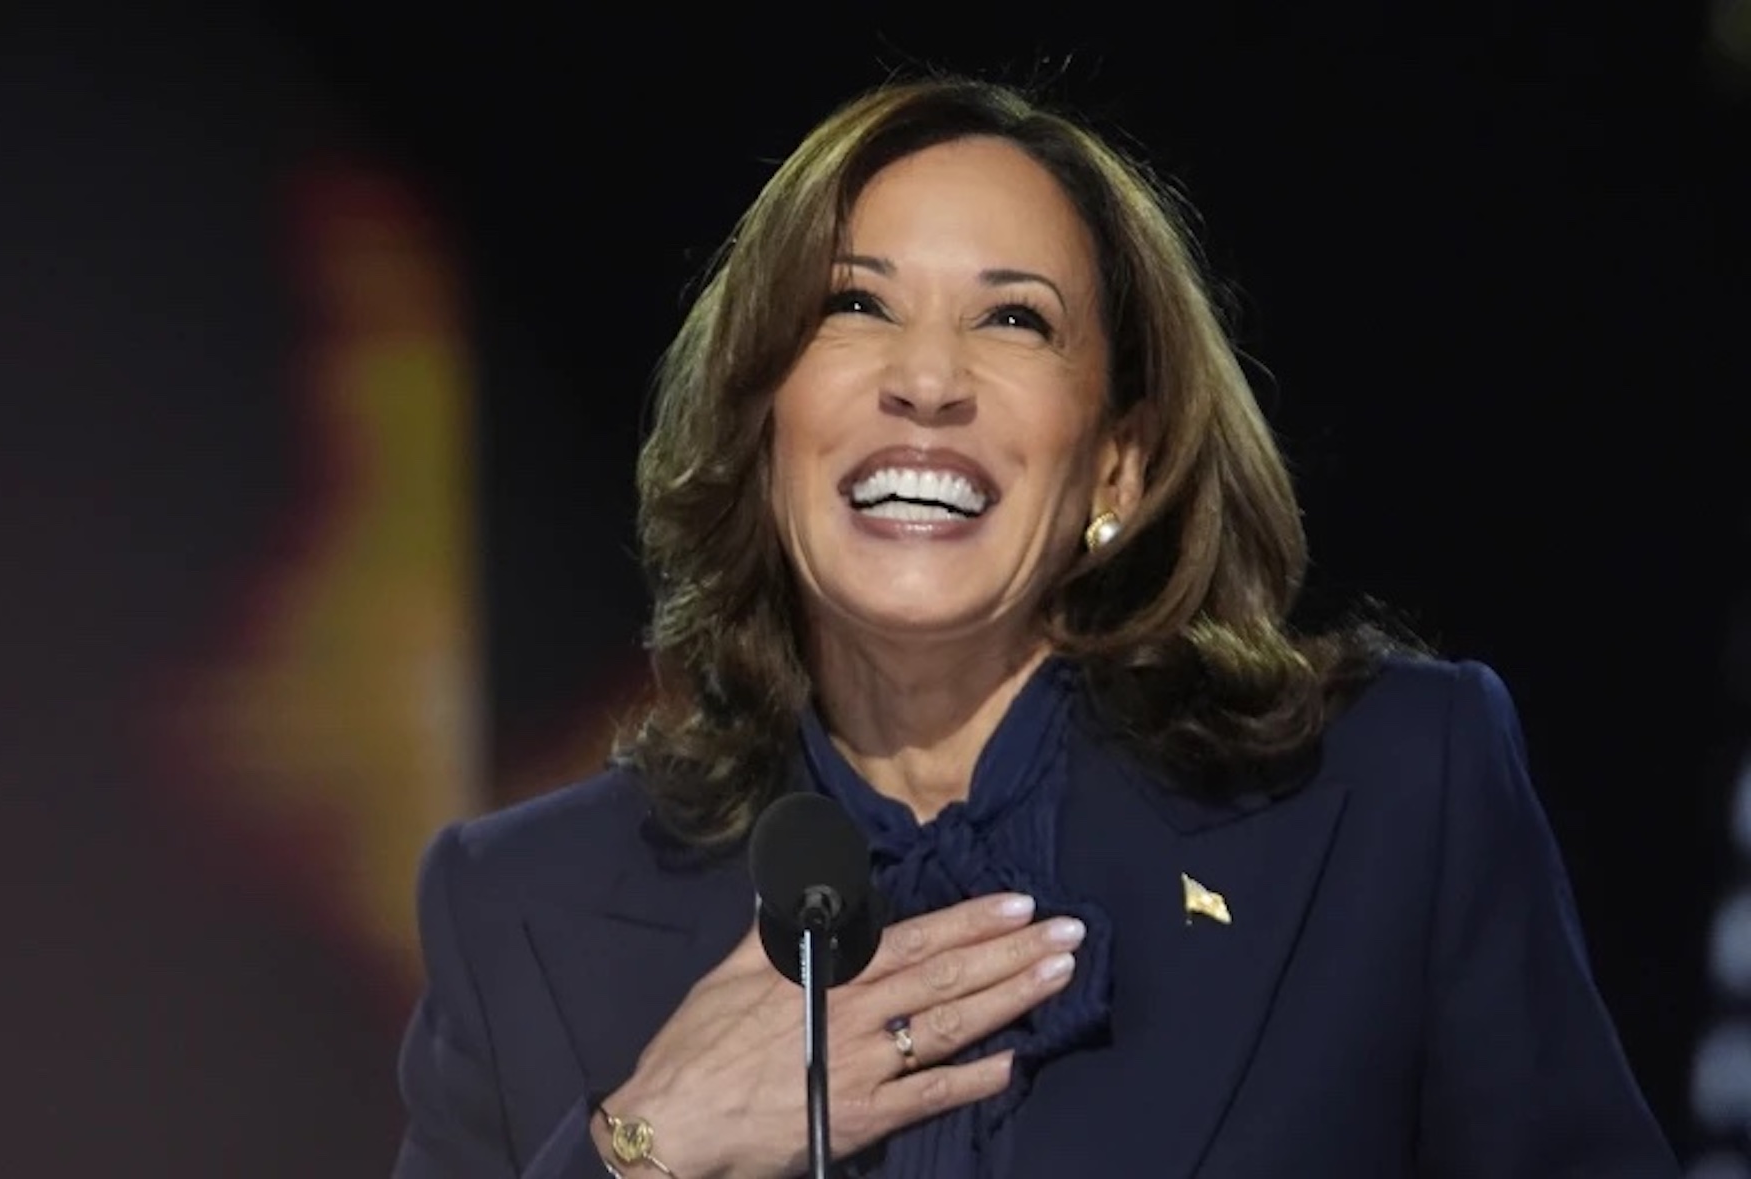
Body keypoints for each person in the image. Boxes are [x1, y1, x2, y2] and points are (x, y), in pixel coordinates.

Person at [391, 74, 1678, 1177]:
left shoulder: (1395, 793)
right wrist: (648, 1143)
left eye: (1015, 319)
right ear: (760, 420)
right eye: (855, 304)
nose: (928, 380)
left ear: (1117, 469)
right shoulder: (522, 907)